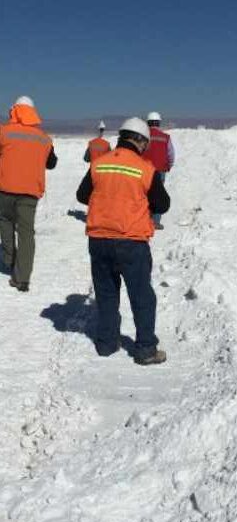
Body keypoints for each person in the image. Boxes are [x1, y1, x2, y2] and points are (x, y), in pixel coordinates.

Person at [76, 117, 170, 364]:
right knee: (141, 296)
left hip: (99, 240)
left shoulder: (100, 164)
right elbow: (163, 204)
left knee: (106, 294)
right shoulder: (144, 168)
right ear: (140, 141)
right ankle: (145, 349)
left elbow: (82, 195)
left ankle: (106, 344)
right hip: (131, 241)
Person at [0, 96, 58, 291]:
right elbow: (52, 163)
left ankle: (9, 259)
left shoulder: (3, 132)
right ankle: (22, 278)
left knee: (5, 223)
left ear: (14, 111)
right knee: (26, 234)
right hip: (29, 194)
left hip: (4, 190)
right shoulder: (44, 138)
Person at [141, 111, 174, 229]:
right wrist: (169, 165)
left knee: (142, 194)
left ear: (147, 123)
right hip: (160, 170)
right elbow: (171, 154)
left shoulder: (142, 136)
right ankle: (155, 222)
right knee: (158, 194)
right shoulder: (165, 137)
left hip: (143, 170)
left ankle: (143, 219)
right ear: (159, 123)